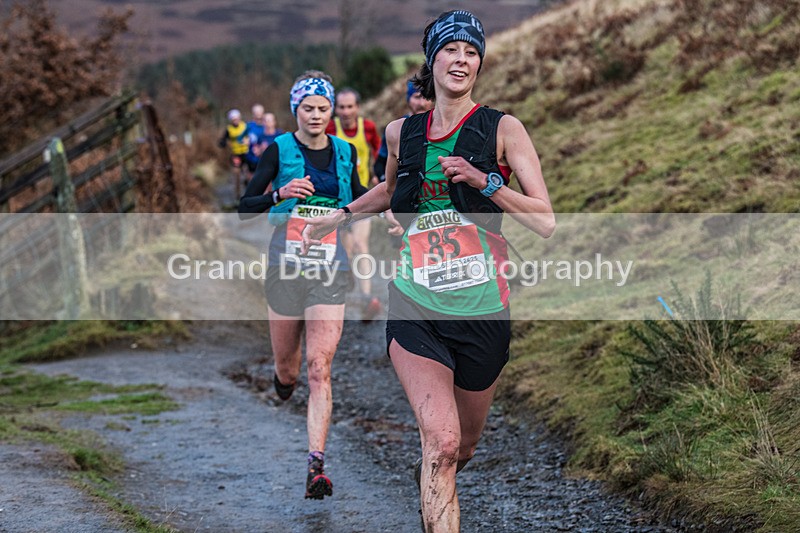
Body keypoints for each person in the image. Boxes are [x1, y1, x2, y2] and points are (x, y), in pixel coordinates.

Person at [302, 10, 555, 531]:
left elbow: (545, 220)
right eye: (451, 50)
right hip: (416, 302)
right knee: (440, 442)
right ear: (432, 59)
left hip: (484, 308)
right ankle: (435, 482)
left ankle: (433, 485)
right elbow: (394, 190)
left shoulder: (502, 128)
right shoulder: (402, 132)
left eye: (471, 52)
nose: (461, 60)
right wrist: (340, 216)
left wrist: (486, 183)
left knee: (460, 448)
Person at [238, 70, 367, 500]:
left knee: (319, 368)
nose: (315, 115)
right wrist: (279, 194)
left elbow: (363, 197)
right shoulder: (279, 150)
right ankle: (281, 379)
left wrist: (384, 212)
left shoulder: (346, 153)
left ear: (332, 111)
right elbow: (244, 208)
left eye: (323, 108)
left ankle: (316, 464)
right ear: (296, 110)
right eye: (308, 108)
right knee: (289, 369)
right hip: (285, 268)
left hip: (329, 269)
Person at [326, 88, 382, 316]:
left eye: (350, 106)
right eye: (341, 107)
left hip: (362, 195)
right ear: (335, 109)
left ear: (357, 107)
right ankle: (345, 275)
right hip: (337, 198)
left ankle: (367, 298)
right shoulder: (330, 128)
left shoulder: (367, 127)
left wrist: (378, 176)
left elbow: (380, 153)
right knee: (345, 249)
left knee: (361, 245)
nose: (346, 111)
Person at [218, 108, 250, 199]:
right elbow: (223, 139)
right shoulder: (229, 129)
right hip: (236, 154)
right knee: (237, 174)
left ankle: (249, 192)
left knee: (248, 174)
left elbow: (251, 137)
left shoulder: (245, 127)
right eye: (233, 119)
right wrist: (222, 143)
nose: (236, 121)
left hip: (246, 153)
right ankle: (237, 195)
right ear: (231, 120)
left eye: (237, 119)